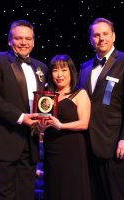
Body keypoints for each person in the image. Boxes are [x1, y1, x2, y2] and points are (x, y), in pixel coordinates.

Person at [78, 17, 124, 200]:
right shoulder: (84, 67)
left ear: (113, 36)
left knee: (120, 195)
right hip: (89, 145)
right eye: (96, 35)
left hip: (116, 144)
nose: (101, 39)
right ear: (91, 39)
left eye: (105, 34)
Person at [0, 19, 48, 200]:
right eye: (19, 38)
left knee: (26, 194)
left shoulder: (42, 67)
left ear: (33, 42)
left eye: (27, 38)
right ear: (10, 40)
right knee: (3, 194)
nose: (23, 42)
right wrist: (20, 117)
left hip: (30, 143)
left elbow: (45, 102)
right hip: (4, 140)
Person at [40, 54, 91, 200]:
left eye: (64, 70)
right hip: (51, 147)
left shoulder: (80, 93)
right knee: (54, 185)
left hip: (72, 148)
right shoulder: (47, 96)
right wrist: (42, 127)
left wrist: (61, 125)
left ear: (71, 72)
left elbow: (84, 123)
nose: (59, 74)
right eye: (55, 70)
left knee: (71, 187)